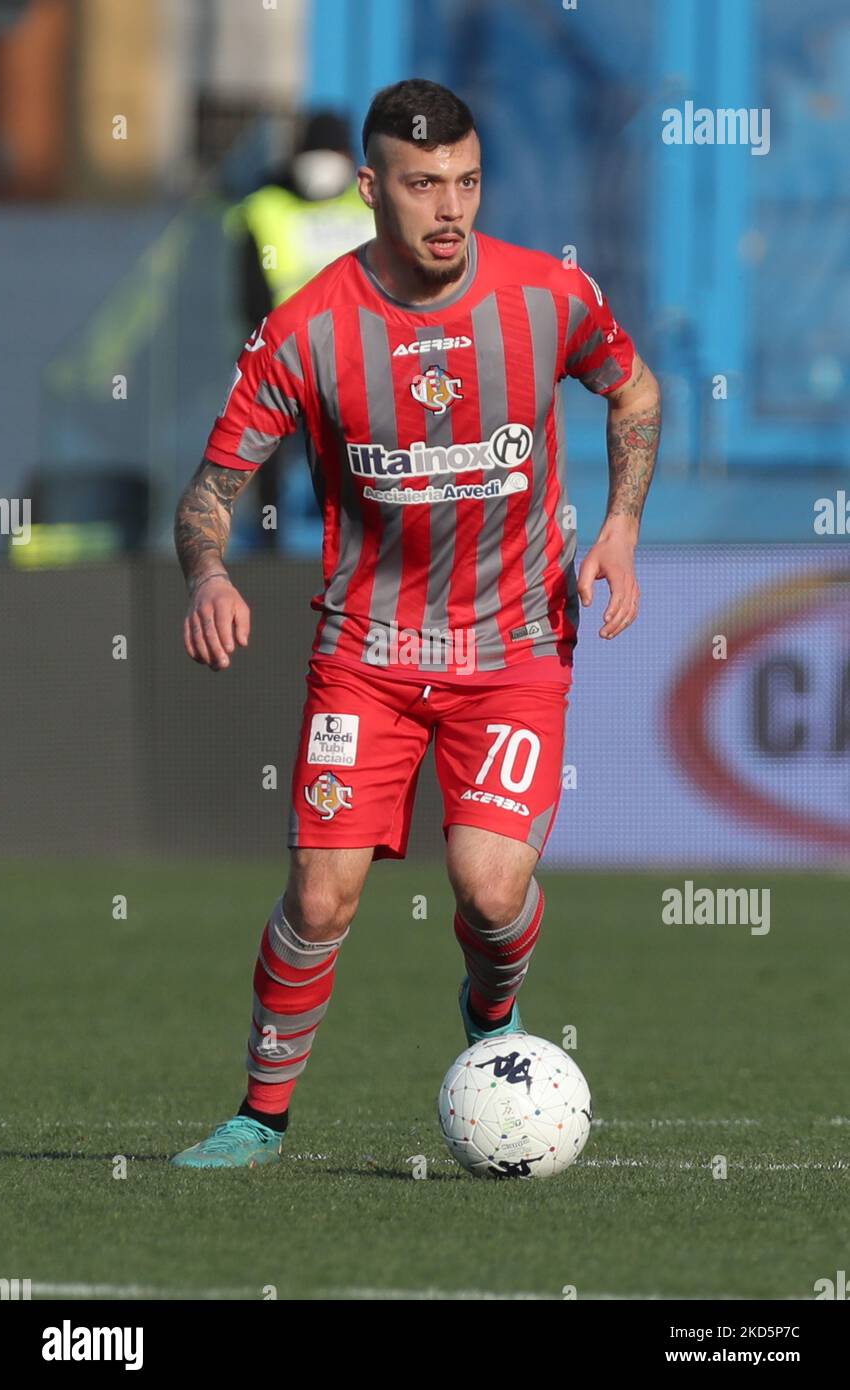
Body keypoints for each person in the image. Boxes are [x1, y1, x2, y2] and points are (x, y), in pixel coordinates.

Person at [171, 78, 661, 1169]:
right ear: (369, 189)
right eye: (424, 184)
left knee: (492, 891)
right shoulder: (308, 330)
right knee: (322, 893)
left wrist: (622, 526)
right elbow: (207, 491)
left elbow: (634, 392)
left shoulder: (548, 297)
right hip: (366, 658)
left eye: (468, 182)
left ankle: (493, 1017)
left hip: (517, 648)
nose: (451, 209)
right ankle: (260, 1116)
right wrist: (208, 573)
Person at [226, 110, 374, 550]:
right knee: (269, 458)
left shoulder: (369, 205)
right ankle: (275, 549)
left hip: (353, 358)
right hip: (289, 356)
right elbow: (248, 296)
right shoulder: (264, 207)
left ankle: (351, 547)